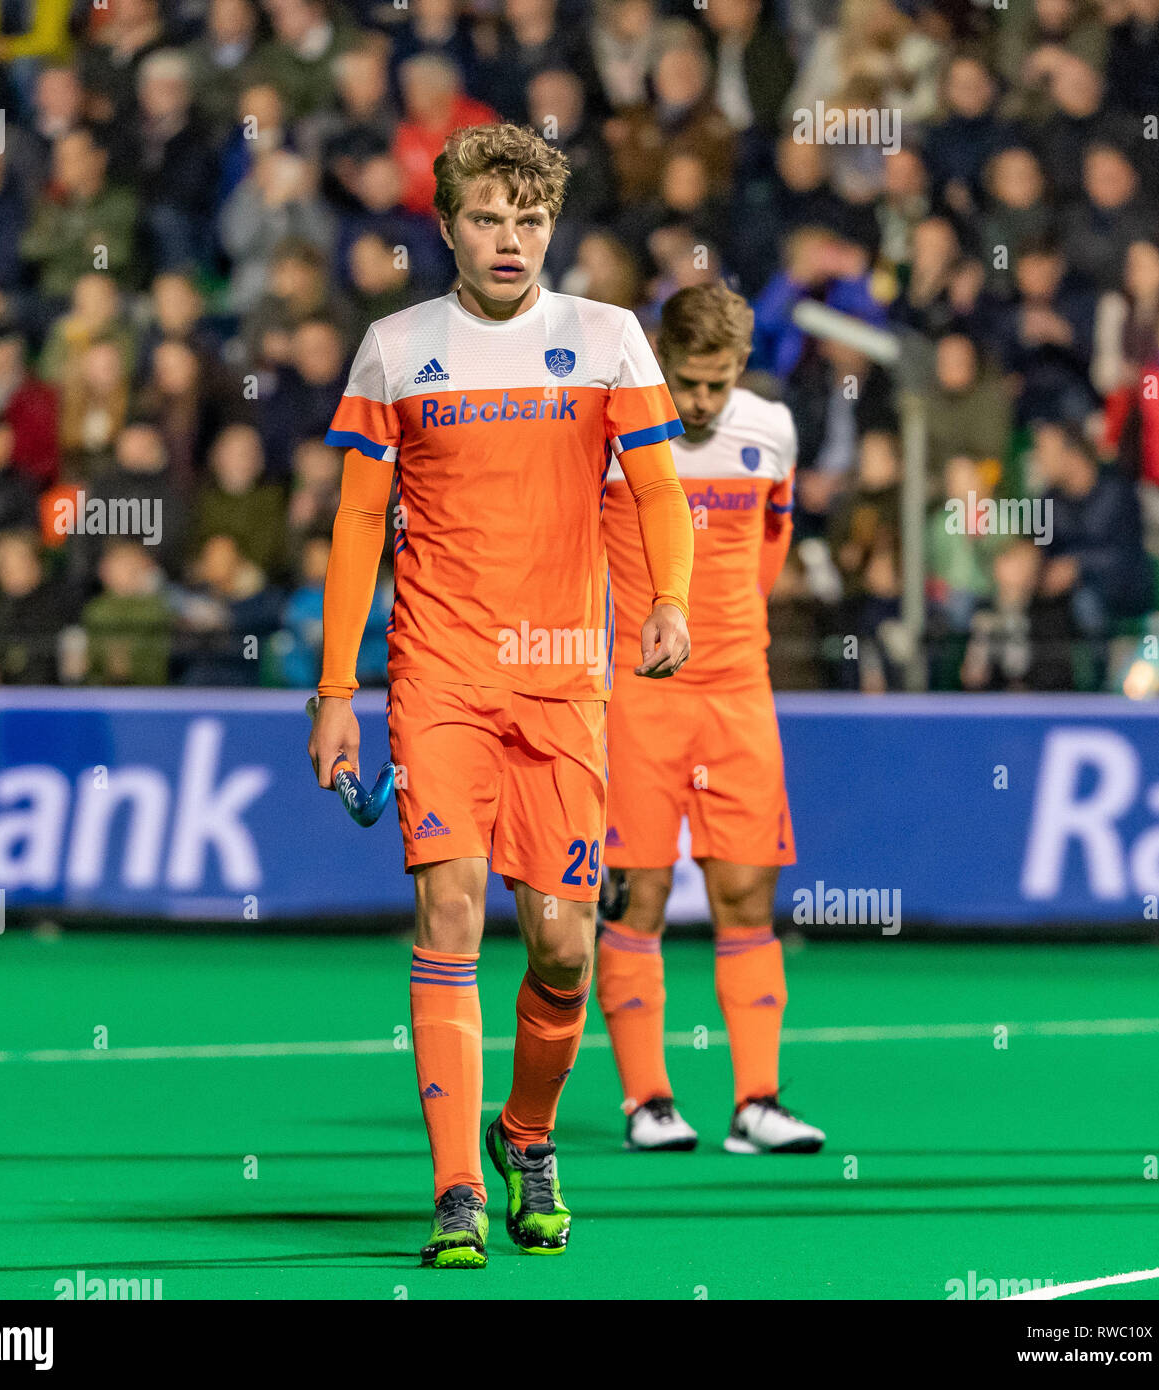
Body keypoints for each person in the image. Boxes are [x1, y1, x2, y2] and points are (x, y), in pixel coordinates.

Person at [308, 122, 694, 1268]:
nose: (511, 239)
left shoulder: (611, 339)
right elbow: (353, 524)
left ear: (551, 227)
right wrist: (336, 687)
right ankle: (457, 1189)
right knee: (451, 912)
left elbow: (660, 490)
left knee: (566, 943)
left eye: (530, 219)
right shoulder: (393, 348)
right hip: (441, 676)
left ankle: (526, 1134)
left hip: (567, 676)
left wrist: (669, 597)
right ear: (446, 226)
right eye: (488, 217)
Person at [595, 282, 825, 1154]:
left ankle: (756, 1102)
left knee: (745, 893)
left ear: (739, 373)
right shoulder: (617, 436)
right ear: (660, 363)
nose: (700, 402)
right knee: (638, 893)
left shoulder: (770, 431)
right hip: (638, 696)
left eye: (716, 384)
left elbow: (769, 552)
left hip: (738, 692)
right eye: (688, 383)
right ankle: (647, 1101)